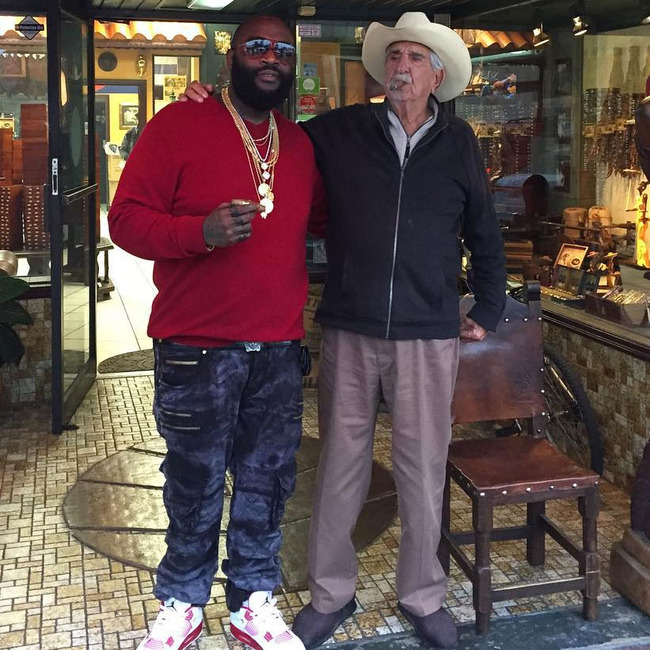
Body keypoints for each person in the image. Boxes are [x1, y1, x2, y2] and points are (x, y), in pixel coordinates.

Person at [183, 12, 506, 649]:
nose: (401, 67)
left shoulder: (460, 142)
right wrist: (216, 104)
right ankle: (330, 593)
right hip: (352, 326)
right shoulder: (341, 130)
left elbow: (484, 230)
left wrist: (489, 306)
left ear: (436, 75)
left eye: (415, 58)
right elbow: (267, 133)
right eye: (395, 56)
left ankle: (422, 595)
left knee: (422, 469)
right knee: (339, 466)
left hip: (427, 330)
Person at [109, 15, 325, 650]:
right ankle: (182, 602)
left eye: (282, 50)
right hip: (196, 346)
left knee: (268, 480)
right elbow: (124, 221)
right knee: (193, 481)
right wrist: (197, 233)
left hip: (278, 347)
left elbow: (325, 221)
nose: (271, 58)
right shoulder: (177, 125)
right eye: (257, 47)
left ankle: (252, 601)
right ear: (231, 56)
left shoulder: (299, 144)